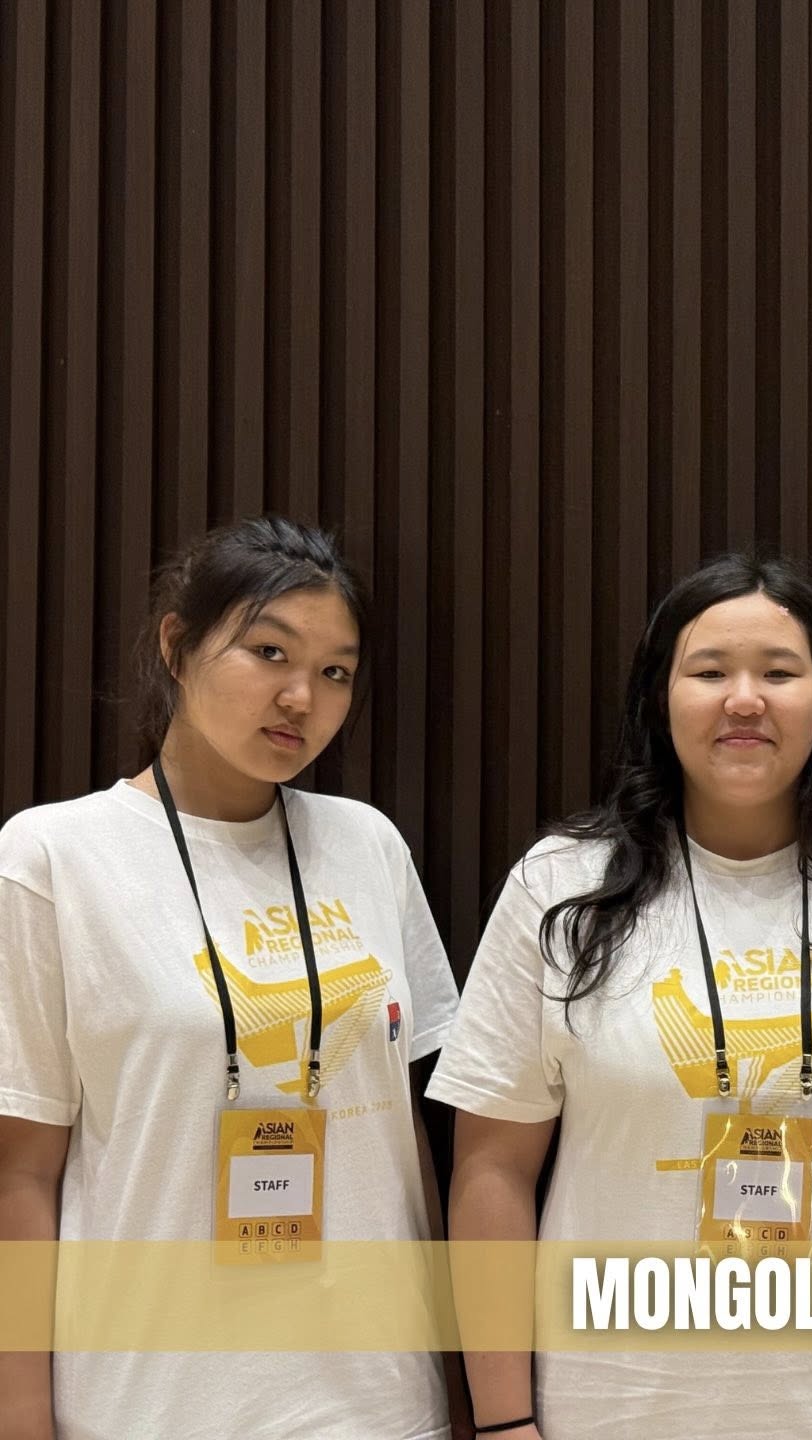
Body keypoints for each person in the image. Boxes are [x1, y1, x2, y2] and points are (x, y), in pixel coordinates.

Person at [429, 554, 812, 1440]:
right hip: (613, 1410)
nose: (745, 700)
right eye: (709, 673)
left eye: (779, 672)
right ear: (660, 699)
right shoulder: (561, 887)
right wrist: (505, 1420)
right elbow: (493, 1168)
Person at [0, 515, 461, 1440]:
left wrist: (455, 1383)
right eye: (269, 652)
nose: (301, 697)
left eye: (336, 672)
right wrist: (20, 1416)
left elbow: (403, 1130)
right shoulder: (53, 856)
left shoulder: (368, 846)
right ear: (177, 646)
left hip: (380, 1402)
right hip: (150, 1403)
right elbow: (22, 1173)